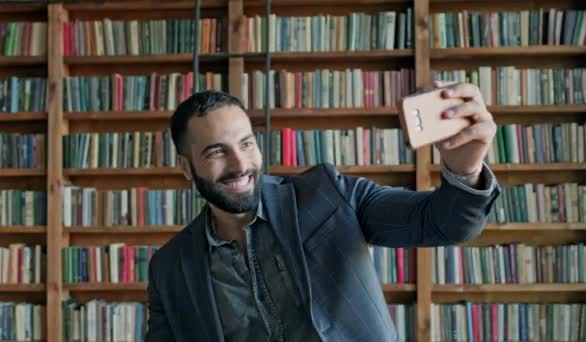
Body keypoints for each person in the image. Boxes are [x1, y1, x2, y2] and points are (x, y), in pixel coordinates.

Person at [145, 82, 501, 342]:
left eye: (247, 143)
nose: (241, 164)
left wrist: (465, 170)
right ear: (187, 168)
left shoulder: (329, 195)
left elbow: (441, 224)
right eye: (216, 152)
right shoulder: (169, 268)